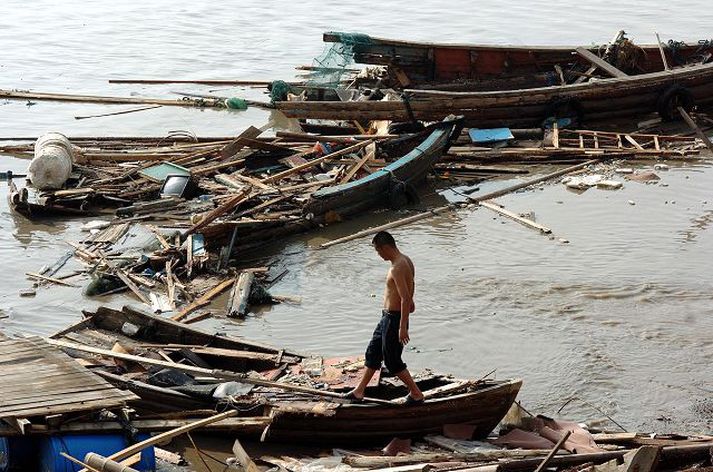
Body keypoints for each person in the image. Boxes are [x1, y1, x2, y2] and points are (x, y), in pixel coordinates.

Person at [345, 231, 424, 405]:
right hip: (387, 318)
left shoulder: (397, 267)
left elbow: (403, 297)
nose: (379, 255)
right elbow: (411, 284)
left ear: (386, 247)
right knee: (373, 352)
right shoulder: (406, 260)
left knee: (392, 361)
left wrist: (402, 327)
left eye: (378, 251)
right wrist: (412, 301)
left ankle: (416, 393)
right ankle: (359, 391)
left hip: (394, 319)